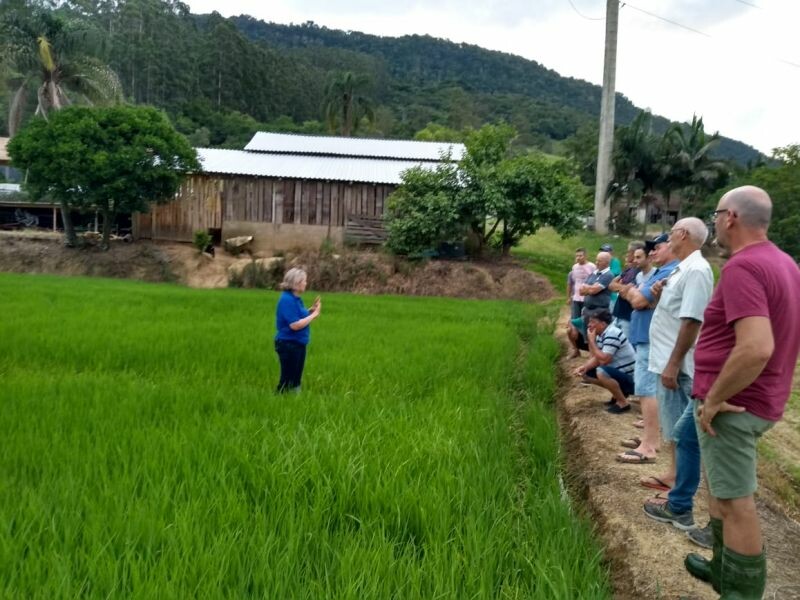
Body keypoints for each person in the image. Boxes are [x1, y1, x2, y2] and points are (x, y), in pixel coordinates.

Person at [684, 186, 800, 598]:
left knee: (736, 502)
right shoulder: (784, 263)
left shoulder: (743, 267)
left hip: (734, 404)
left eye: (716, 215)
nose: (715, 222)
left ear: (730, 217)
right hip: (757, 398)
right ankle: (721, 568)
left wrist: (715, 398)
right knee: (721, 489)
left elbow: (756, 347)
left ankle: (741, 590)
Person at [640, 218, 713, 531]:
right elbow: (675, 315)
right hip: (669, 363)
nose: (668, 238)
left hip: (680, 368)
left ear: (682, 234)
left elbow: (692, 321)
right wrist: (659, 297)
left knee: (686, 437)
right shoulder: (683, 270)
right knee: (677, 433)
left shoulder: (696, 270)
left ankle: (681, 503)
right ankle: (677, 490)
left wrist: (673, 364)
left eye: (671, 233)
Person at [615, 236, 674, 463]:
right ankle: (649, 438)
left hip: (651, 339)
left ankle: (648, 446)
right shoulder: (664, 271)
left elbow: (639, 301)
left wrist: (632, 292)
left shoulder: (669, 271)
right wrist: (635, 293)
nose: (652, 253)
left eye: (657, 248)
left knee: (647, 389)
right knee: (650, 389)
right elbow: (639, 298)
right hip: (646, 336)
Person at [573, 308, 636, 413]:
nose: (589, 325)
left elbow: (604, 360)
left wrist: (592, 341)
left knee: (601, 371)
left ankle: (623, 403)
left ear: (602, 324)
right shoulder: (602, 334)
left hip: (632, 379)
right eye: (589, 322)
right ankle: (618, 395)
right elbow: (597, 358)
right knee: (586, 373)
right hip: (621, 373)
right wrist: (584, 367)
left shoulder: (612, 333)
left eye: (593, 322)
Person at [274, 267, 321, 393]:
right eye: (304, 281)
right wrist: (314, 315)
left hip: (298, 343)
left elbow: (298, 316)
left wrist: (310, 311)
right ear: (297, 283)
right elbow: (294, 325)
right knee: (287, 381)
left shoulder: (296, 299)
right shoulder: (286, 300)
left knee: (295, 380)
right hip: (288, 344)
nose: (306, 283)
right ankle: (280, 399)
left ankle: (294, 400)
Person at [567, 251, 615, 358]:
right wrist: (590, 288)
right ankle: (585, 355)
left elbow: (594, 290)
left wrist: (589, 288)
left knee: (595, 338)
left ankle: (595, 361)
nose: (596, 263)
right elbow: (581, 290)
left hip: (599, 311)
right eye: (596, 260)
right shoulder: (594, 273)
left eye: (600, 261)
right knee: (587, 336)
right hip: (588, 311)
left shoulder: (608, 275)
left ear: (607, 262)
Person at [609, 241, 644, 339]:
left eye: (629, 251)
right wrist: (625, 287)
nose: (627, 254)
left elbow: (625, 292)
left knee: (625, 345)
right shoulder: (628, 269)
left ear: (634, 253)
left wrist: (620, 287)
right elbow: (611, 285)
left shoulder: (640, 272)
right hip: (617, 315)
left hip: (628, 318)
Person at [567, 247, 596, 320]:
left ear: (585, 256)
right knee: (575, 318)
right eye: (577, 256)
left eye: (580, 256)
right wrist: (569, 297)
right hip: (576, 297)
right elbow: (572, 282)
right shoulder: (574, 267)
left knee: (586, 319)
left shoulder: (592, 266)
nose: (578, 258)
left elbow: (595, 280)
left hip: (587, 298)